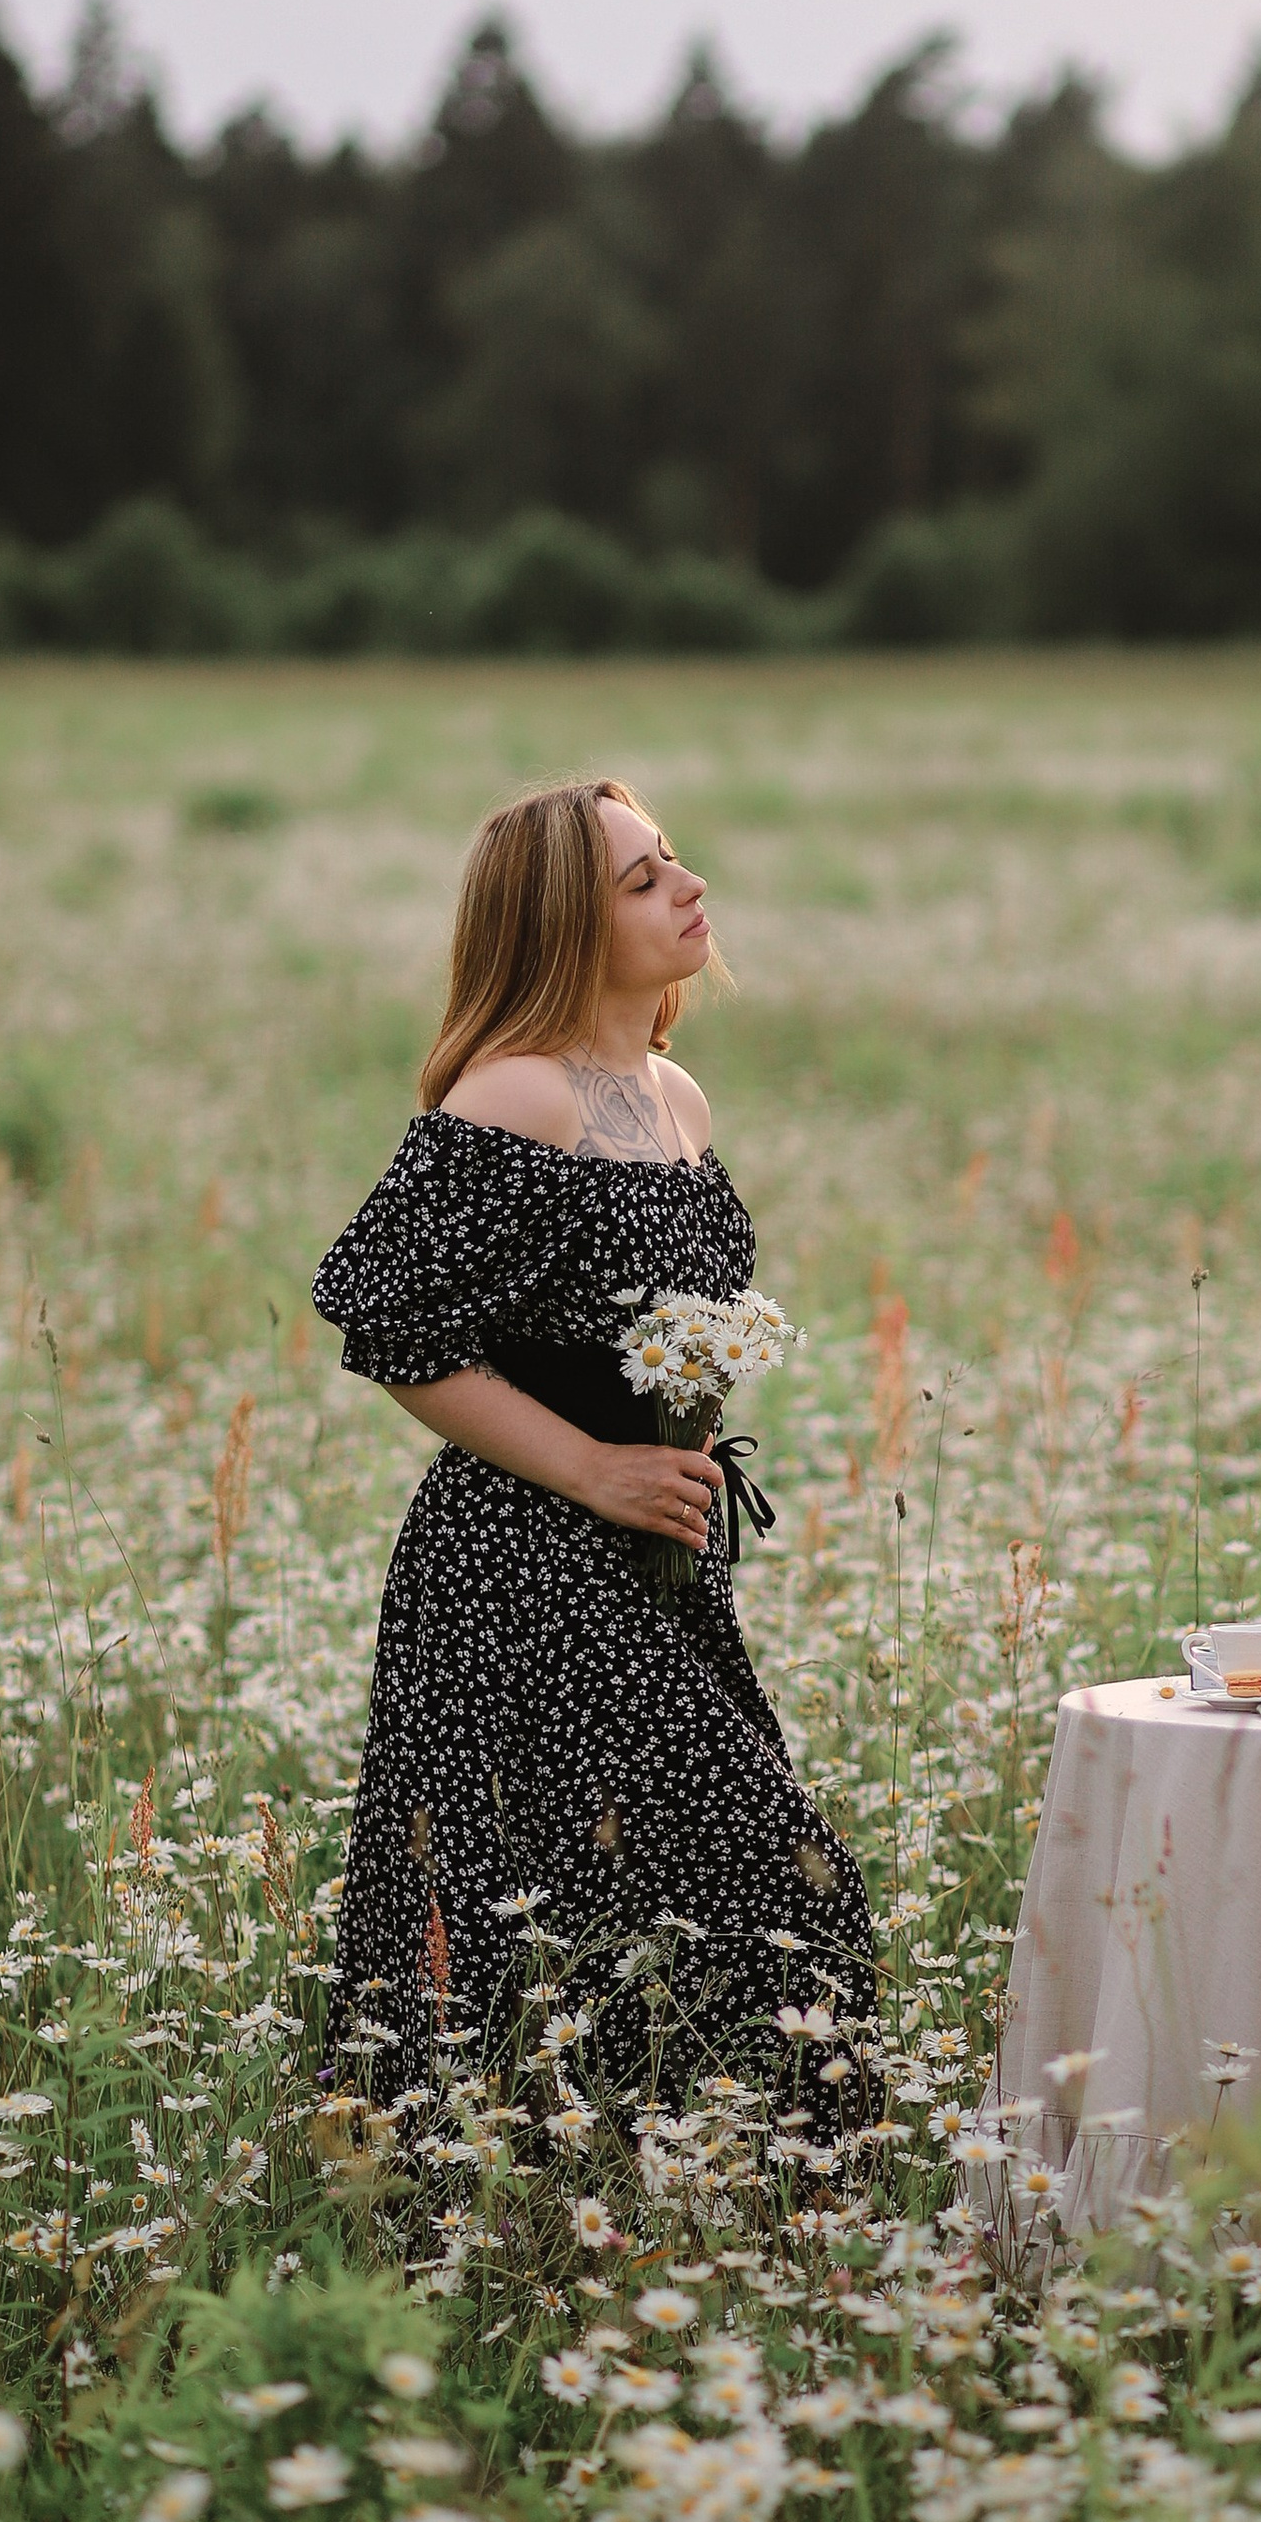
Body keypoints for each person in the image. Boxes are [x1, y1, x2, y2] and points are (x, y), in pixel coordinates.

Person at [312, 777, 873, 2121]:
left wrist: (667, 1451)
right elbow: (384, 1323)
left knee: (619, 1895)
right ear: (562, 924)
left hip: (655, 1558)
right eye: (639, 879)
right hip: (518, 1572)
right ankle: (481, 2185)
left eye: (672, 860)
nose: (687, 888)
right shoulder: (516, 1097)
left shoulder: (671, 1095)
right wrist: (597, 1469)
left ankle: (627, 2171)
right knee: (775, 1876)